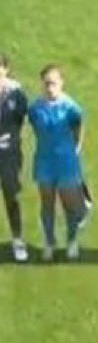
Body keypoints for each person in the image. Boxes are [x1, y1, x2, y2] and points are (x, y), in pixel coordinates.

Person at [28, 65, 87, 262]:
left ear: (61, 83)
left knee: (69, 204)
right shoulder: (35, 109)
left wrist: (75, 149)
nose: (49, 87)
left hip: (66, 162)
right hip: (44, 161)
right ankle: (49, 242)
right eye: (46, 83)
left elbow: (79, 129)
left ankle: (71, 241)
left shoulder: (71, 108)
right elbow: (37, 129)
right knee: (47, 203)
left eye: (53, 82)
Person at [0, 54, 29, 262]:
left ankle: (18, 240)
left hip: (8, 153)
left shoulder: (16, 92)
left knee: (11, 195)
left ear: (5, 69)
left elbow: (19, 121)